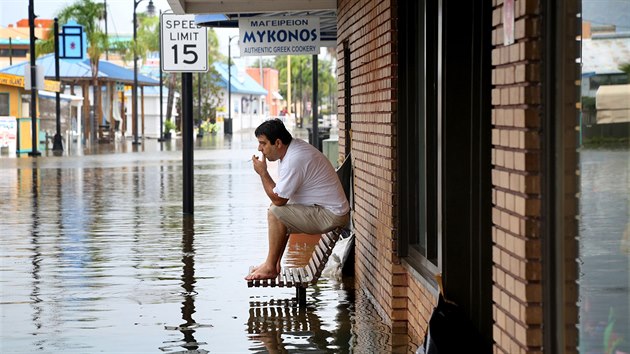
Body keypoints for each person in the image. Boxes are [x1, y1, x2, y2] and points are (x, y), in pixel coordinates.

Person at [246, 119, 350, 281]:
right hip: (327, 211)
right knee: (279, 212)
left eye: (263, 143)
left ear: (278, 143)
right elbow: (281, 196)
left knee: (275, 211)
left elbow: (279, 200)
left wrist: (263, 173)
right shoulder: (292, 151)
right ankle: (272, 264)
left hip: (332, 215)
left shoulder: (295, 159)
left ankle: (270, 266)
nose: (260, 149)